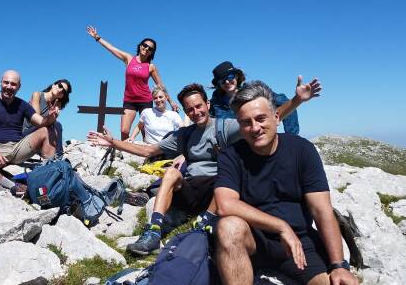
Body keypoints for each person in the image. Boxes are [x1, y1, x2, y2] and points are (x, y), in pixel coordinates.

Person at [88, 78, 320, 256]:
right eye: (190, 109)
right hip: (192, 188)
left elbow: (268, 118)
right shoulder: (184, 134)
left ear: (207, 104)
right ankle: (154, 230)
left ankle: (204, 224)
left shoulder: (225, 127)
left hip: (218, 192)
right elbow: (149, 151)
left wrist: (297, 100)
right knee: (170, 172)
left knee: (226, 176)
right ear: (185, 111)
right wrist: (113, 143)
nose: (196, 112)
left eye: (199, 106)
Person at [212, 81, 365, 285]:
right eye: (246, 122)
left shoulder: (301, 150)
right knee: (229, 226)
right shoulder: (231, 155)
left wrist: (339, 265)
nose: (254, 128)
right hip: (254, 239)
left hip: (300, 245)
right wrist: (280, 226)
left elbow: (322, 210)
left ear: (276, 116)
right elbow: (225, 204)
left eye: (261, 118)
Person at [0, 70, 60, 195]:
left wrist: (51, 117)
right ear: (0, 83)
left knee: (48, 130)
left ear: (19, 87)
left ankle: (49, 178)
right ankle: (14, 186)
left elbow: (41, 122)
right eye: (6, 83)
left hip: (17, 148)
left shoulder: (22, 105)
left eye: (13, 84)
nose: (9, 87)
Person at [86, 25, 179, 141]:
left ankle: (147, 155)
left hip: (145, 100)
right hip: (129, 100)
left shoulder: (151, 67)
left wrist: (171, 101)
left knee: (146, 131)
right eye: (145, 45)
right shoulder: (129, 59)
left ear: (152, 52)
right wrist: (97, 37)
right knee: (124, 130)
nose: (146, 48)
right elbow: (112, 48)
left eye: (150, 48)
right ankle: (125, 153)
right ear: (140, 46)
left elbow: (160, 85)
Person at [208, 61, 319, 135]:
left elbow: (285, 103)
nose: (227, 82)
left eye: (230, 77)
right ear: (218, 84)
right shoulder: (214, 105)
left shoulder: (255, 91)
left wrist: (291, 138)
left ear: (236, 77)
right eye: (222, 80)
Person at [21, 79, 72, 156]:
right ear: (53, 85)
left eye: (64, 91)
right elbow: (36, 120)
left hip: (42, 132)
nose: (60, 90)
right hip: (27, 132)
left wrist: (53, 117)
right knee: (54, 125)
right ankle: (57, 155)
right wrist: (49, 117)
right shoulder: (37, 95)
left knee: (57, 125)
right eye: (60, 86)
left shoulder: (57, 103)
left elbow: (51, 123)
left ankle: (58, 155)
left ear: (62, 95)